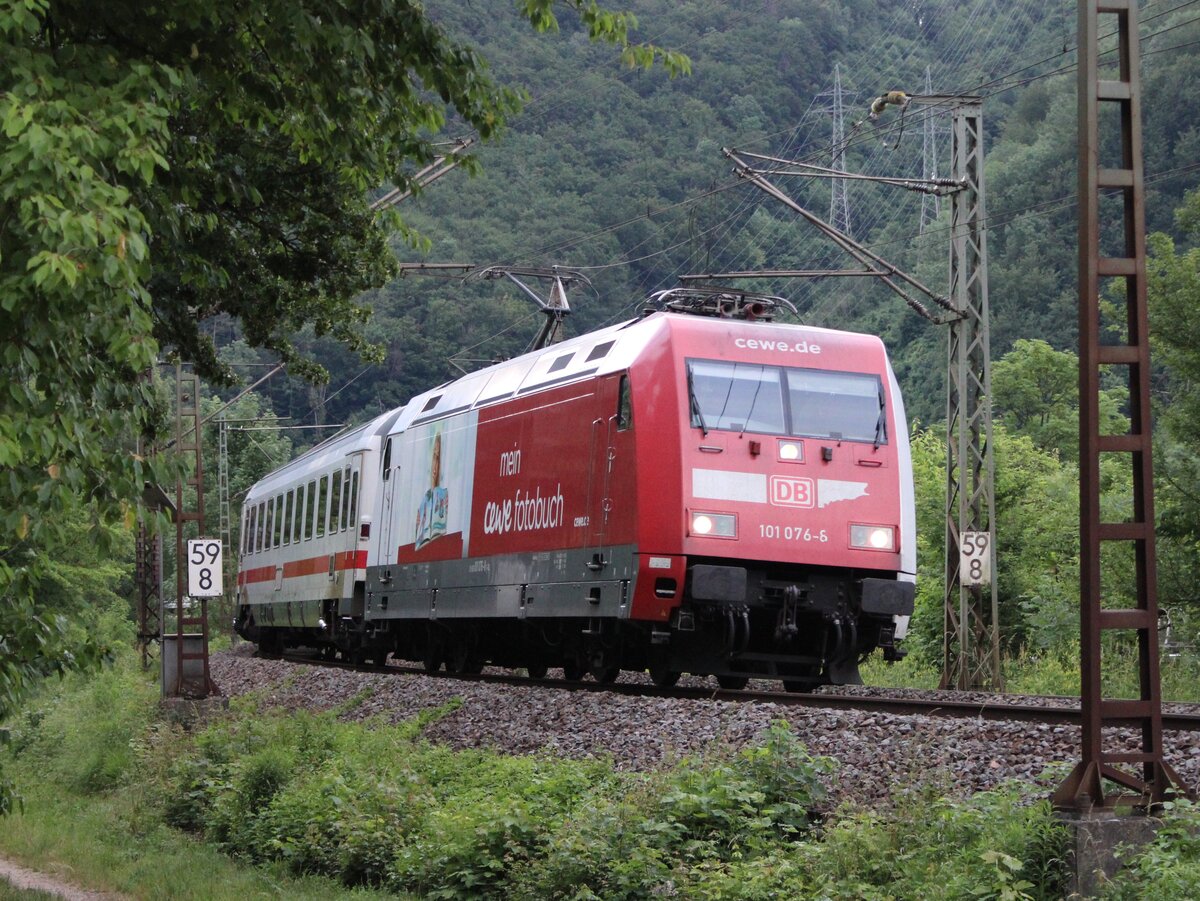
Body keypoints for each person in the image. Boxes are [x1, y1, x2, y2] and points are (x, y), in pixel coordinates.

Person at [414, 431, 448, 549]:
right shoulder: (424, 500)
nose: (435, 469)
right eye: (434, 457)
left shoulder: (444, 496)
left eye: (438, 459)